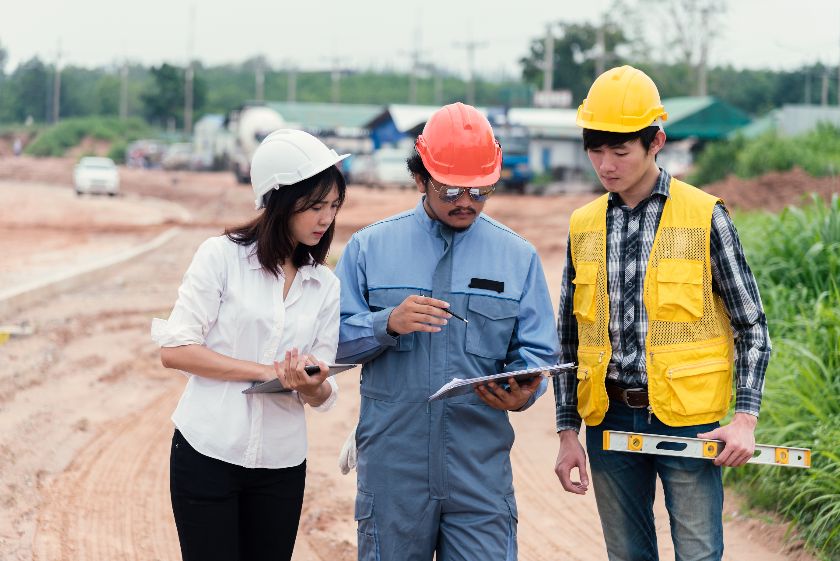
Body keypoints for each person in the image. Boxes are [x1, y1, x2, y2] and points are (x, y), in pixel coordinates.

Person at [552, 65, 772, 561]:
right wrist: (568, 433)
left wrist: (745, 420)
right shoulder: (583, 225)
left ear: (656, 141)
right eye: (595, 149)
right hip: (608, 418)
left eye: (620, 150)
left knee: (697, 554)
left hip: (690, 422)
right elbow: (568, 339)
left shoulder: (704, 216)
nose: (605, 165)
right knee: (627, 555)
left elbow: (752, 327)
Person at [334, 102, 559, 561]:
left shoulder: (517, 257)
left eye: (480, 190)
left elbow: (537, 353)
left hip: (478, 473)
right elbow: (329, 341)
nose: (466, 202)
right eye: (451, 189)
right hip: (394, 471)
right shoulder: (369, 248)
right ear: (420, 178)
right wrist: (386, 323)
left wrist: (523, 391)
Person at [151, 129, 348, 561]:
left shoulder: (325, 285)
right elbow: (176, 349)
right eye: (316, 206)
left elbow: (324, 388)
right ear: (279, 200)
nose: (326, 219)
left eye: (333, 206)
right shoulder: (220, 257)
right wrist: (265, 372)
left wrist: (310, 384)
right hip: (208, 452)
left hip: (281, 465)